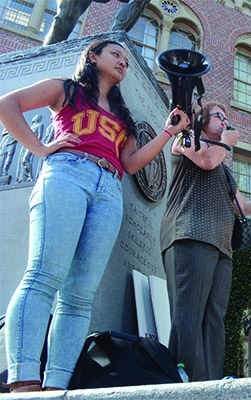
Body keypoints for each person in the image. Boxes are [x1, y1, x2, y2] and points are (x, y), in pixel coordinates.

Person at [0, 39, 189, 393]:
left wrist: (168, 132)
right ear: (93, 56)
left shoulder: (123, 115)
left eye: (126, 60)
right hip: (67, 173)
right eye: (116, 54)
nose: (123, 62)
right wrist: (40, 148)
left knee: (80, 294)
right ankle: (23, 379)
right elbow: (7, 104)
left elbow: (131, 163)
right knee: (43, 275)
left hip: (108, 189)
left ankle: (56, 384)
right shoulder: (67, 89)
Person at [160, 101, 251, 382]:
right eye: (219, 117)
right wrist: (225, 143)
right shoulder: (185, 139)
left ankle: (211, 384)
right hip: (190, 234)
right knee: (189, 313)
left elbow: (242, 207)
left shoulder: (225, 169)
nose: (225, 122)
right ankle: (185, 383)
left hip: (222, 246)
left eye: (227, 119)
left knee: (215, 319)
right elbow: (207, 160)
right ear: (201, 120)